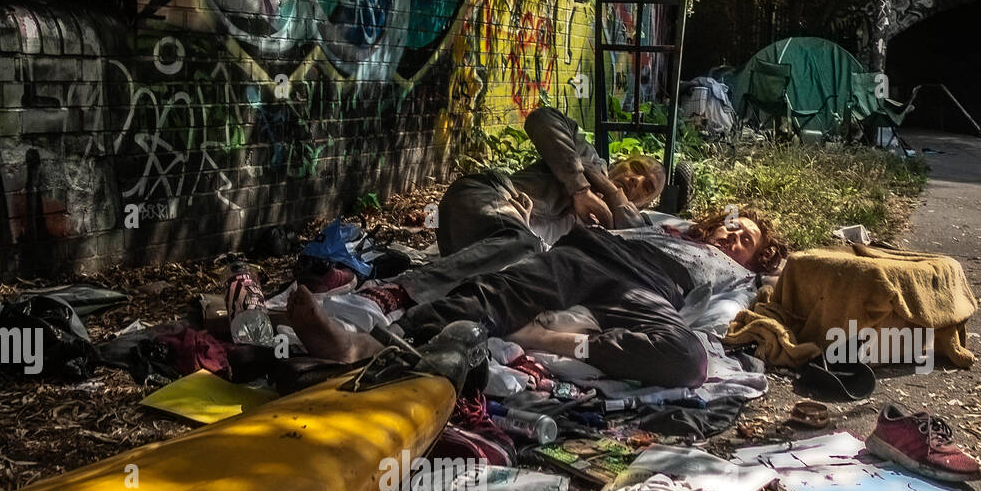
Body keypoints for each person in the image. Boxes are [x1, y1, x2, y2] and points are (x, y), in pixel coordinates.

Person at [284, 205, 787, 388]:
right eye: (731, 228)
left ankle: (563, 343)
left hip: (651, 289)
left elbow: (780, 287)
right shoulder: (669, 226)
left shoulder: (740, 280)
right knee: (500, 292)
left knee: (688, 360)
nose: (731, 238)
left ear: (754, 258)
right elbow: (621, 210)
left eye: (746, 240)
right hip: (592, 254)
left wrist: (581, 345)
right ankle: (370, 346)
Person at [400, 105, 668, 306]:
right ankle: (403, 290)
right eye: (636, 168)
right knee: (523, 244)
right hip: (483, 198)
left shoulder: (629, 231)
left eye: (647, 187)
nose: (635, 179)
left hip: (487, 253)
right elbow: (542, 118)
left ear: (646, 204)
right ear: (622, 161)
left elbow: (635, 237)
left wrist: (611, 193)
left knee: (526, 280)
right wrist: (580, 187)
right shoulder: (588, 157)